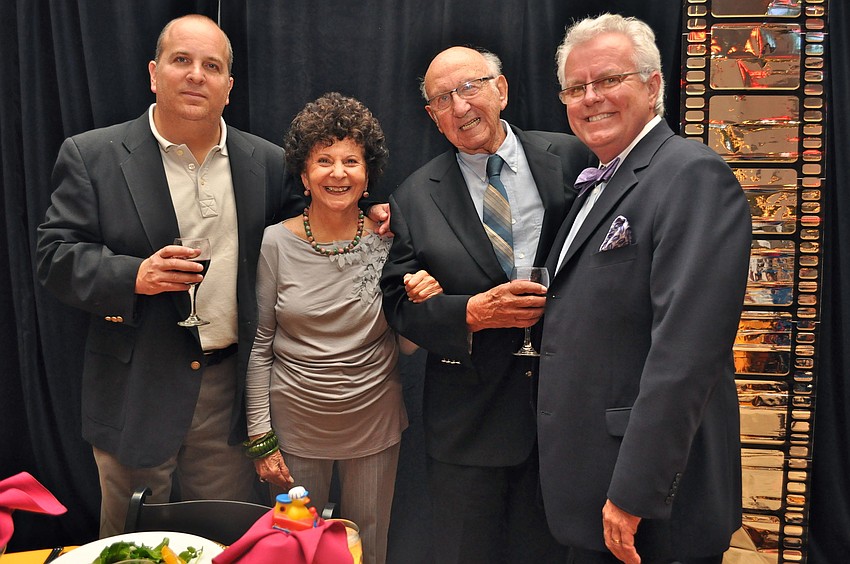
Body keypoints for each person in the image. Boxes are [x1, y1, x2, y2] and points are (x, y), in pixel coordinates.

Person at [34, 15, 390, 537]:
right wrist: (136, 275)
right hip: (135, 387)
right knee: (134, 542)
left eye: (212, 66)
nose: (196, 75)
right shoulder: (94, 155)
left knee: (222, 540)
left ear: (229, 86)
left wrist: (374, 216)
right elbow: (54, 257)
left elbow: (318, 220)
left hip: (228, 391)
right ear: (155, 73)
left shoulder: (266, 162)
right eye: (182, 61)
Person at [537, 14, 752, 564]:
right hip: (594, 489)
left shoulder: (690, 175)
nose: (591, 98)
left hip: (651, 505)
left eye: (609, 80)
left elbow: (686, 354)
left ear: (653, 85)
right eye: (576, 88)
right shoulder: (598, 181)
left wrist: (635, 492)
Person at [380, 46, 592, 563]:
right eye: (442, 99)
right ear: (432, 117)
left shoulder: (573, 158)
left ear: (501, 89)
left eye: (470, 87)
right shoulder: (414, 196)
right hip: (469, 425)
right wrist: (471, 313)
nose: (460, 107)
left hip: (564, 415)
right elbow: (397, 305)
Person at [244, 92, 434, 564]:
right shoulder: (275, 242)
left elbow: (407, 345)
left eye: (351, 160)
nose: (338, 172)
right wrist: (261, 438)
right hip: (295, 427)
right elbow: (262, 344)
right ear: (304, 175)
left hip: (374, 420)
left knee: (368, 546)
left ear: (367, 174)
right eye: (323, 160)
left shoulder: (389, 240)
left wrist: (422, 304)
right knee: (294, 549)